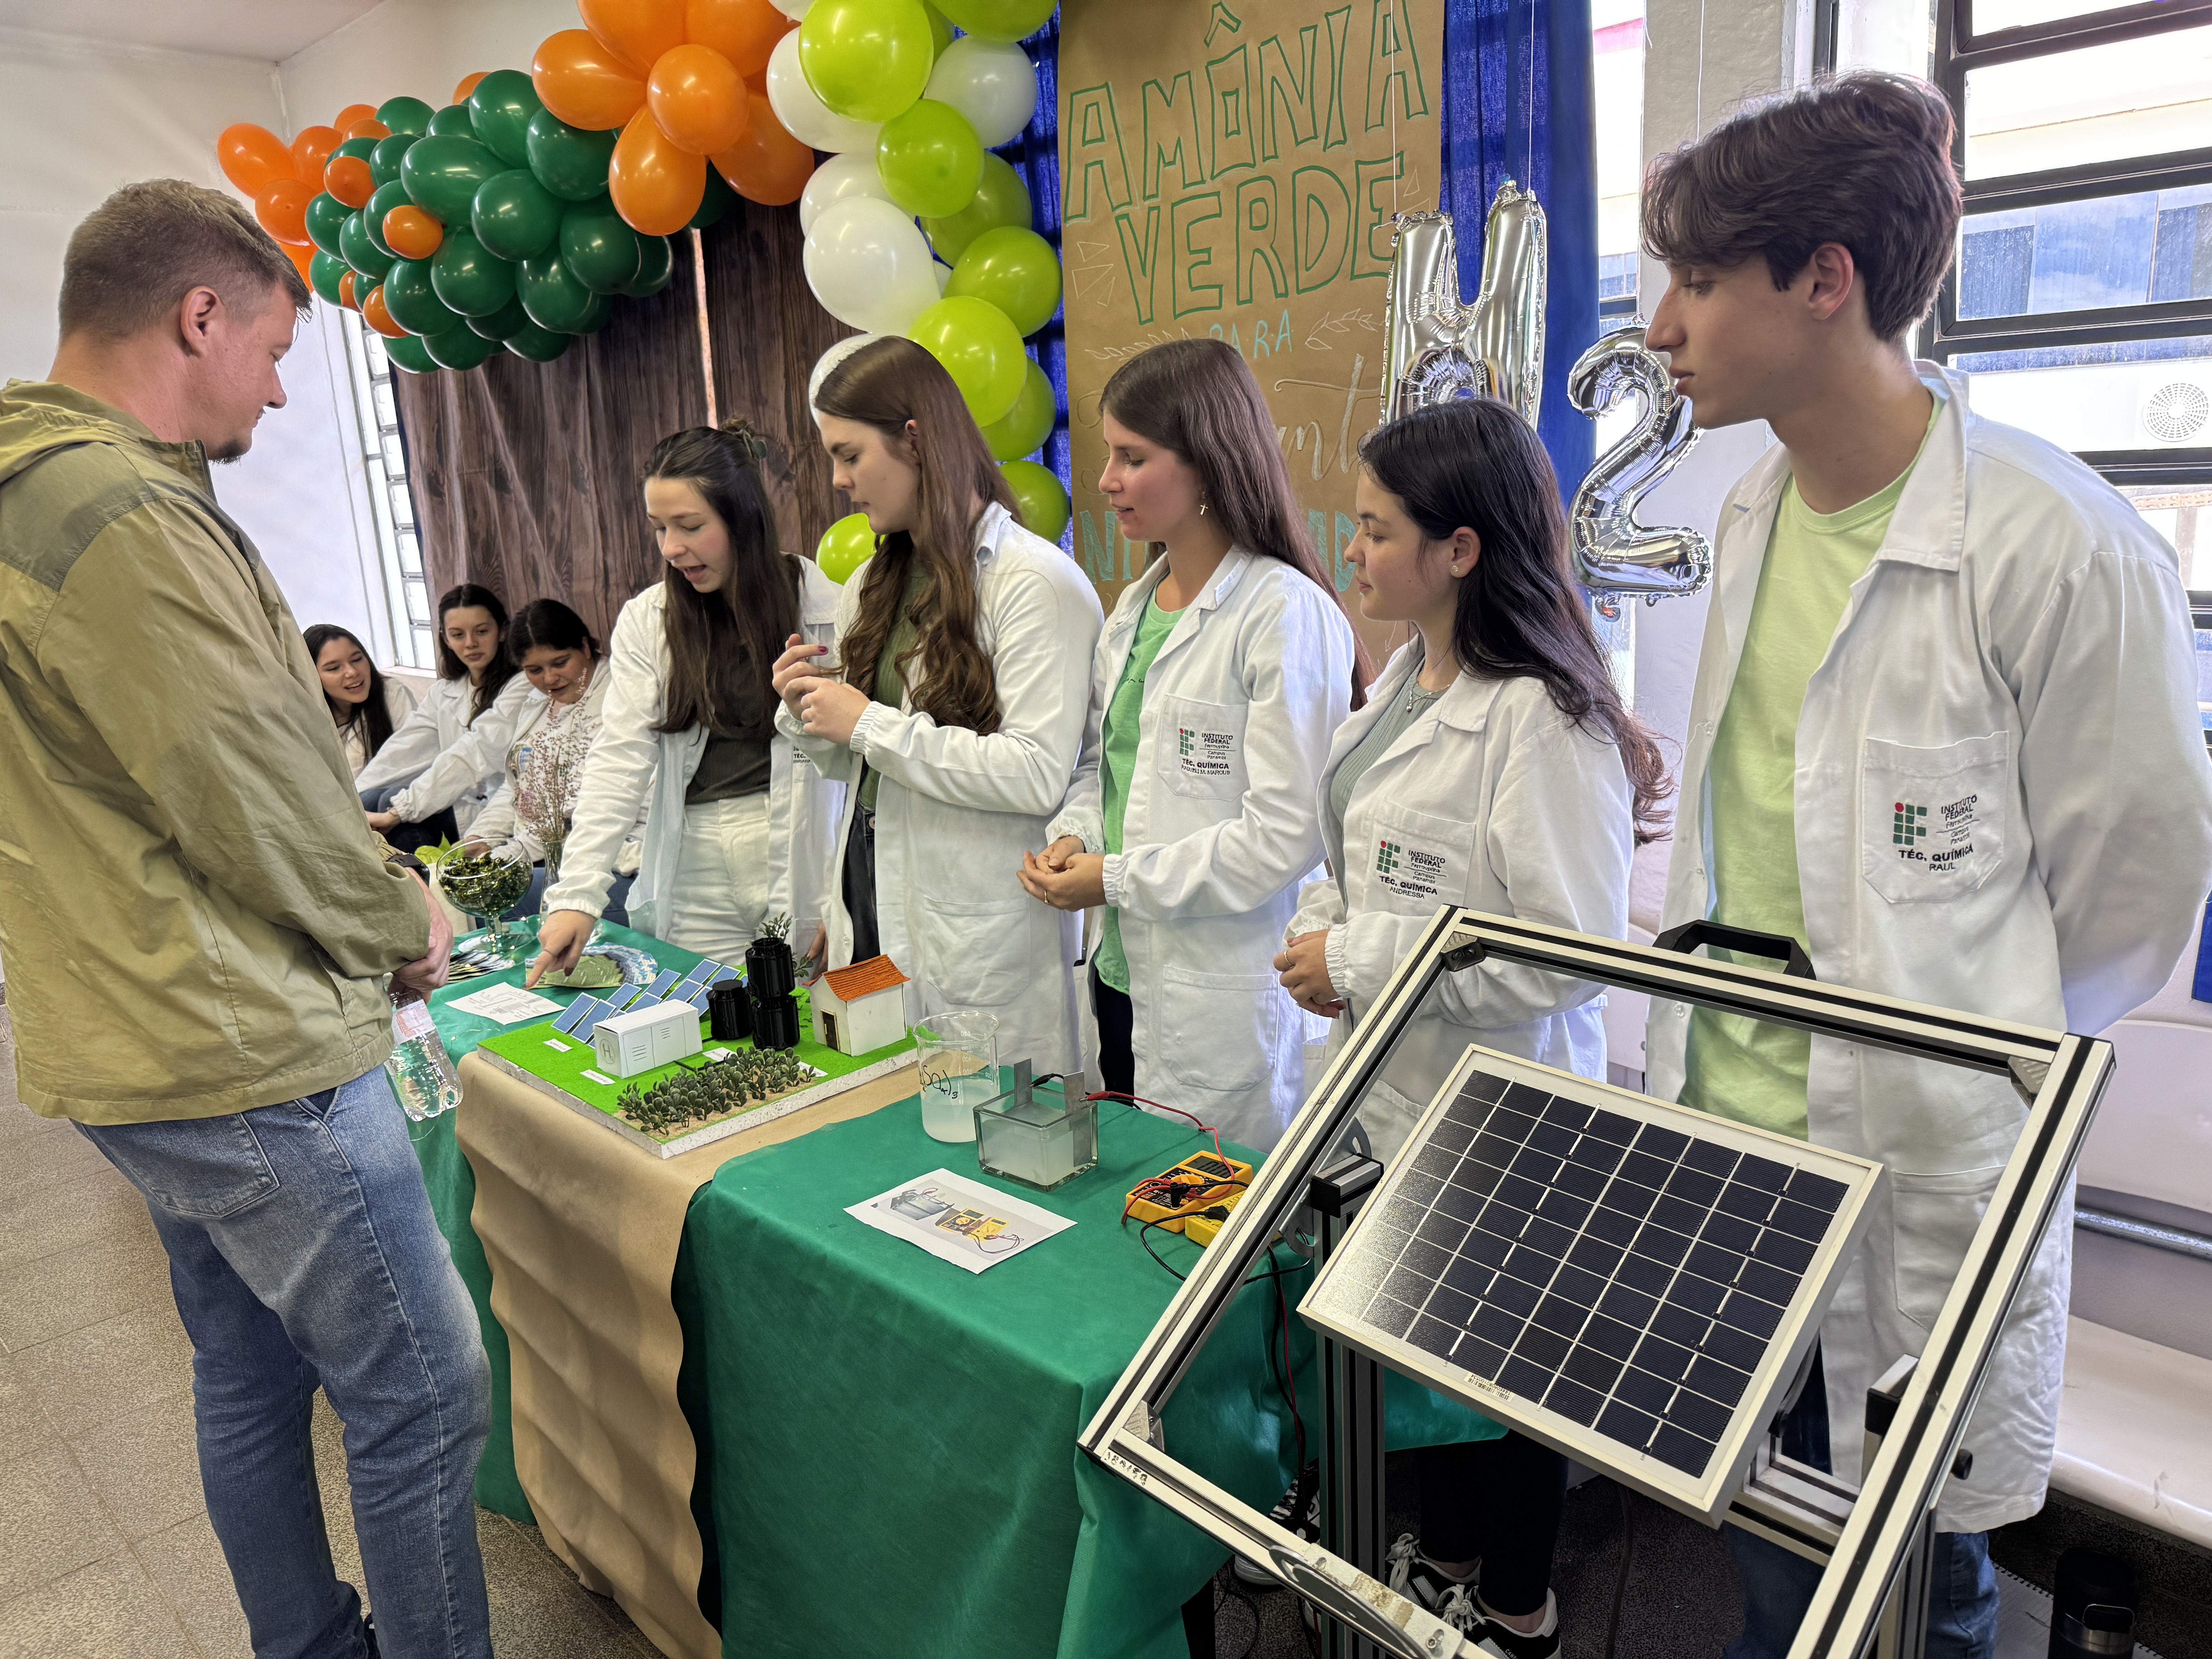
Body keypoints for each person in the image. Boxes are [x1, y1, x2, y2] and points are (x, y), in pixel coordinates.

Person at [1637, 72, 2212, 1659]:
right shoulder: (1751, 512)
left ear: (1825, 278)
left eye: (1700, 280)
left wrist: (1965, 1029)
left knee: (1912, 1574)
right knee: (1770, 1536)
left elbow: (2132, 897)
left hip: (1915, 1158)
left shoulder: (2056, 543)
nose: (1664, 327)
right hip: (1731, 1133)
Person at [0, 180, 490, 1654]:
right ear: (198, 316)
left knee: (249, 1369)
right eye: (274, 355)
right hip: (243, 1045)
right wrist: (396, 913)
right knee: (423, 1395)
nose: (278, 395)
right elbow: (251, 789)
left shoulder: (31, 483)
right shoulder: (117, 510)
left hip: (130, 1025)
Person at [1273, 396, 1665, 1656]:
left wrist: (1357, 958)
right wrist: (1325, 933)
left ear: (1460, 549)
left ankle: (1515, 1613)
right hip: (1390, 1089)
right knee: (1419, 1350)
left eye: (1377, 531)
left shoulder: (1543, 720)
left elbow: (1566, 948)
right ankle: (1439, 1563)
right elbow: (1358, 848)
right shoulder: (1403, 680)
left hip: (1506, 1112)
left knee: (1508, 1377)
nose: (1352, 551)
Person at [1016, 338, 1359, 1152]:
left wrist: (1114, 877)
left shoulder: (1281, 612)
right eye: (1108, 455)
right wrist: (1079, 837)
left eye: (1133, 458)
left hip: (1222, 993)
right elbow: (1109, 770)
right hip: (1121, 975)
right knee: (1135, 1199)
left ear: (1207, 464)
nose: (1106, 481)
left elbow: (1284, 835)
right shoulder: (1133, 611)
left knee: (1220, 1209)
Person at [774, 337, 1104, 1075]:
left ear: (916, 439)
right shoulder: (871, 583)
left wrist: (866, 721)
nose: (838, 480)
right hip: (872, 894)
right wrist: (810, 709)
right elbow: (859, 765)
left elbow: (1035, 773)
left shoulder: (1034, 583)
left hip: (976, 923)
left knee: (989, 1115)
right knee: (881, 1106)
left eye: (850, 455)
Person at [525, 420, 843, 975]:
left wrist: (843, 890)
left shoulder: (828, 609)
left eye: (691, 526)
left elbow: (857, 768)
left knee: (810, 1015)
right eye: (659, 528)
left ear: (743, 518)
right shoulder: (650, 619)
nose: (672, 548)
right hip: (695, 861)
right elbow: (620, 757)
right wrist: (577, 894)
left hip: (803, 848)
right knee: (706, 1015)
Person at [377, 599, 637, 918]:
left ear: (585, 646)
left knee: (480, 892)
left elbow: (572, 815)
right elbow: (517, 785)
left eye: (560, 663)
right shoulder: (539, 701)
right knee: (451, 880)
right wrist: (481, 837)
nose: (550, 679)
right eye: (534, 670)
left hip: (608, 864)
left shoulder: (615, 702)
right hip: (541, 851)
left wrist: (505, 856)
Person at [357, 583, 526, 844]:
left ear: (503, 631)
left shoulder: (523, 685)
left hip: (500, 810)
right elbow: (402, 750)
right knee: (369, 799)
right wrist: (349, 798)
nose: (471, 644)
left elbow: (475, 751)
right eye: (458, 635)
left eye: (482, 631)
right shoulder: (445, 692)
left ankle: (424, 871)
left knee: (393, 805)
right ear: (445, 638)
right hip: (459, 805)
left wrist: (399, 811)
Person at [306, 620, 416, 777]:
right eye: (334, 668)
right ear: (311, 675)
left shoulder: (391, 693)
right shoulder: (305, 719)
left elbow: (414, 758)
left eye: (357, 659)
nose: (352, 672)